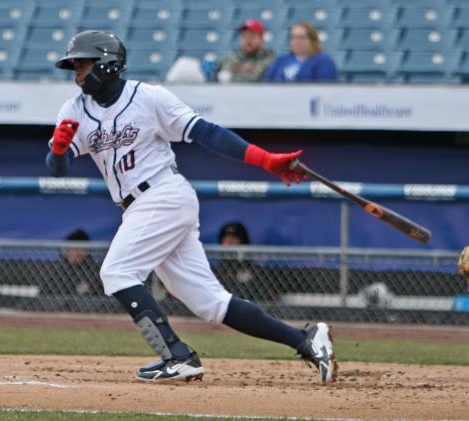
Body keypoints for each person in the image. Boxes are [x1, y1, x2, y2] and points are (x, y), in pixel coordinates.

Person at [46, 30, 336, 384]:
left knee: (117, 272)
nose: (77, 73)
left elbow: (207, 133)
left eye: (83, 64)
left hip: (163, 195)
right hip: (139, 206)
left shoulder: (147, 97)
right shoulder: (74, 109)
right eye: (74, 66)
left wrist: (266, 160)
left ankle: (177, 356)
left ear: (108, 63)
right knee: (210, 304)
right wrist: (58, 151)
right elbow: (57, 169)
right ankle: (304, 339)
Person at [262, 22, 337, 83]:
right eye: (293, 38)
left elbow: (326, 89)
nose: (296, 42)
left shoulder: (324, 61)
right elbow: (266, 84)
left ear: (312, 40)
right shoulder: (281, 60)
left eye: (301, 38)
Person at [214, 222, 272, 301]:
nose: (229, 242)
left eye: (234, 238)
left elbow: (262, 294)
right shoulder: (217, 270)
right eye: (226, 238)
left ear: (241, 241)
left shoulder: (253, 269)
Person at [60, 228, 103, 296]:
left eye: (80, 249)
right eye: (72, 249)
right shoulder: (59, 270)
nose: (76, 253)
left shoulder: (94, 271)